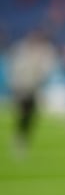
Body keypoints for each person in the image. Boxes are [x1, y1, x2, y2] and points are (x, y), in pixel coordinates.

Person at [6, 28, 59, 158]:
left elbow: (48, 68)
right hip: (22, 87)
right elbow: (15, 68)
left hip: (33, 89)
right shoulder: (22, 50)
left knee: (32, 115)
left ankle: (22, 137)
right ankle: (20, 139)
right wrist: (16, 86)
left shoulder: (43, 52)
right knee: (24, 114)